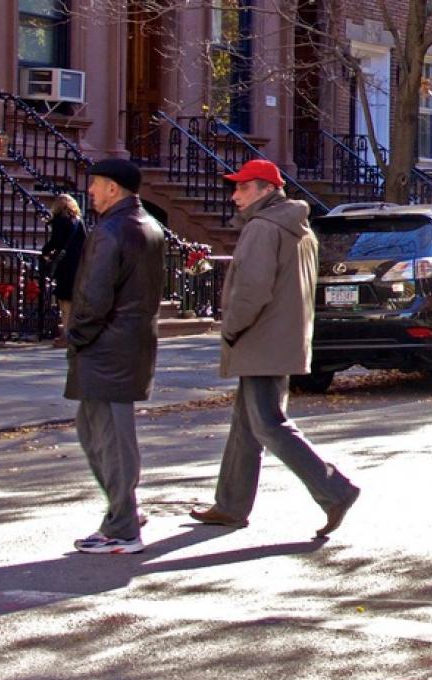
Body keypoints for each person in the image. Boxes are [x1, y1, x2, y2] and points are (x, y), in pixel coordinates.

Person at [189, 159, 360, 539]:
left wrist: (231, 329)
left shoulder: (263, 228)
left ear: (266, 189)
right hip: (282, 338)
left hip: (260, 338)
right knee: (246, 424)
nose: (234, 195)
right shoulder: (299, 229)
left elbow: (251, 290)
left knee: (268, 423)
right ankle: (231, 505)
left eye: (242, 187)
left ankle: (334, 490)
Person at [64, 158, 165, 554]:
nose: (89, 191)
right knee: (101, 434)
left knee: (107, 439)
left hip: (105, 347)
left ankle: (123, 526)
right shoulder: (149, 226)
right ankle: (123, 513)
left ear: (113, 188)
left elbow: (93, 296)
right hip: (130, 344)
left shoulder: (109, 231)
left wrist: (76, 335)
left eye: (96, 184)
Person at [40, 194, 86, 345]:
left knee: (65, 302)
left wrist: (45, 252)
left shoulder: (59, 221)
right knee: (74, 301)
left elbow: (56, 241)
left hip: (66, 265)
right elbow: (86, 242)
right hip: (79, 265)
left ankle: (66, 335)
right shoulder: (79, 222)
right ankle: (74, 333)